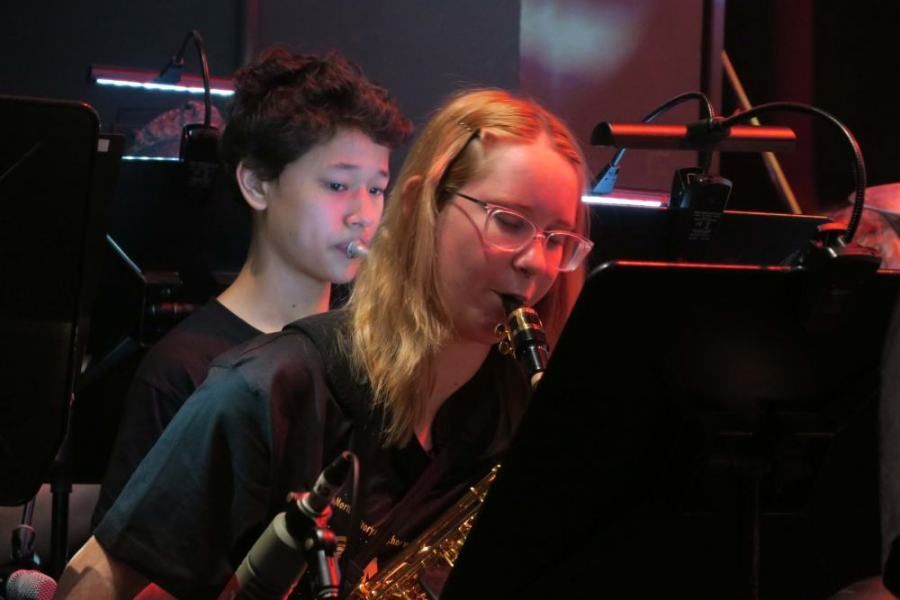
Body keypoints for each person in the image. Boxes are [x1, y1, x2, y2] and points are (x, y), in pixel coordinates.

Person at [57, 88, 594, 599]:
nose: (536, 262)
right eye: (509, 222)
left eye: (559, 239)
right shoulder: (268, 389)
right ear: (420, 207)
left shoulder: (520, 409)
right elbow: (97, 580)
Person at [90, 46, 412, 527]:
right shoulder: (181, 372)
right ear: (257, 185)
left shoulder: (377, 352)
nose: (363, 216)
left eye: (376, 188)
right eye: (338, 186)